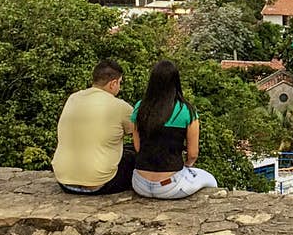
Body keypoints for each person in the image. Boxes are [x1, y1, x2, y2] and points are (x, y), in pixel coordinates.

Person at [130, 60, 219, 199]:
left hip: (139, 183)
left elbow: (137, 146)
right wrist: (187, 165)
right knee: (210, 179)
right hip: (169, 186)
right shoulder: (186, 111)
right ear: (176, 82)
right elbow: (193, 154)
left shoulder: (140, 107)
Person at [52, 60, 136, 195]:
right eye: (120, 82)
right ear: (113, 83)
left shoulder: (73, 98)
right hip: (102, 184)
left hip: (64, 181)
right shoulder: (119, 106)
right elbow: (140, 133)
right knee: (134, 154)